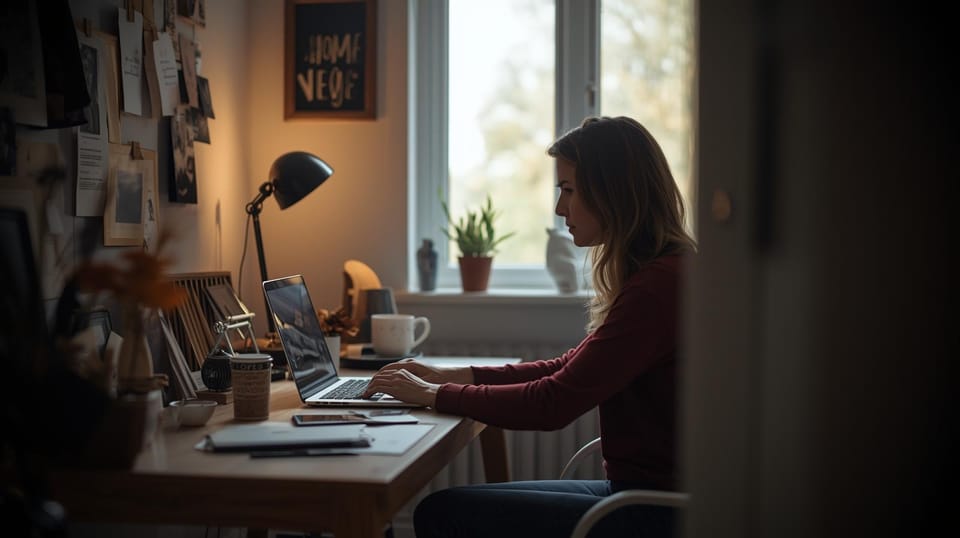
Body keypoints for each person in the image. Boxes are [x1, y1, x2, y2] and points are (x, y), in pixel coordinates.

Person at [362, 115, 696, 537]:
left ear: (613, 192)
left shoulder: (657, 287)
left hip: (655, 511)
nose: (560, 209)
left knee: (442, 513)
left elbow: (553, 402)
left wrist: (433, 395)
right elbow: (564, 368)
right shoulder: (660, 274)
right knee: (452, 508)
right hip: (642, 494)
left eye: (569, 190)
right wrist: (445, 376)